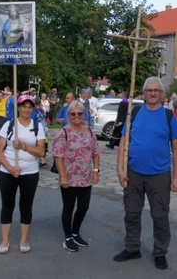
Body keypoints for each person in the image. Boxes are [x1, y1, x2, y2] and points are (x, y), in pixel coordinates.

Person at [114, 77, 177, 270]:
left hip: (159, 175)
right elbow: (123, 142)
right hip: (134, 173)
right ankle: (132, 248)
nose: (152, 93)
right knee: (132, 213)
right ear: (143, 93)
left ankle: (160, 252)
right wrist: (120, 169)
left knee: (160, 215)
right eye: (148, 90)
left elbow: (176, 148)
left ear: (162, 94)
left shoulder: (169, 116)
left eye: (156, 90)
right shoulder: (134, 113)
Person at [0, 94, 46, 255]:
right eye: (24, 106)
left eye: (30, 107)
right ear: (18, 107)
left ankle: (24, 240)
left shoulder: (38, 127)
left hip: (30, 172)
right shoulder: (9, 125)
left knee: (26, 206)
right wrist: (10, 168)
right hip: (8, 172)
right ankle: (5, 241)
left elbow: (41, 151)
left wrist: (23, 146)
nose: (26, 109)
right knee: (7, 206)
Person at [53, 100, 101, 252]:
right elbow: (58, 156)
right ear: (69, 115)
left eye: (80, 113)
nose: (77, 116)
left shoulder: (90, 131)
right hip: (69, 177)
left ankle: (75, 231)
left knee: (83, 207)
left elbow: (96, 152)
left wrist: (95, 171)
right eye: (73, 114)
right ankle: (68, 237)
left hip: (85, 177)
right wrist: (63, 176)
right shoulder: (63, 133)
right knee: (68, 207)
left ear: (83, 114)